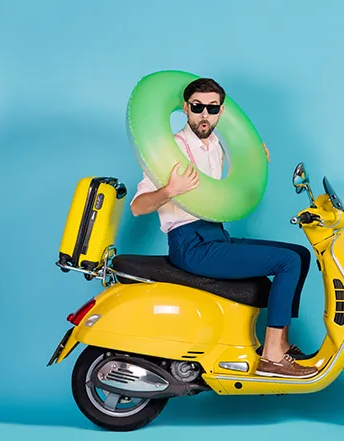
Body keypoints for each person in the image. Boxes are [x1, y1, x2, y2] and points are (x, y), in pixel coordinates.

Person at [130, 77, 319, 379]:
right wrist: (169, 190)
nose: (205, 115)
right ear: (185, 108)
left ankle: (280, 345)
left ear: (220, 111)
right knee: (288, 262)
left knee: (300, 254)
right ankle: (271, 357)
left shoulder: (216, 145)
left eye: (212, 108)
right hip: (190, 244)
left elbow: (238, 178)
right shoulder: (170, 150)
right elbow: (137, 207)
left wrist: (255, 158)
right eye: (197, 107)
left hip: (217, 236)